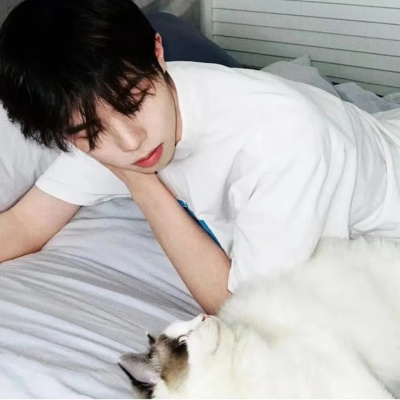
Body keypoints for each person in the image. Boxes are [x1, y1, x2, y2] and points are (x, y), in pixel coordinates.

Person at [1, 0, 400, 315]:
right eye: (88, 133)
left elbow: (240, 310)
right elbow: (25, 224)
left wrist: (142, 185)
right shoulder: (98, 113)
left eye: (135, 101)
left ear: (157, 52)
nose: (131, 141)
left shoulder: (282, 140)